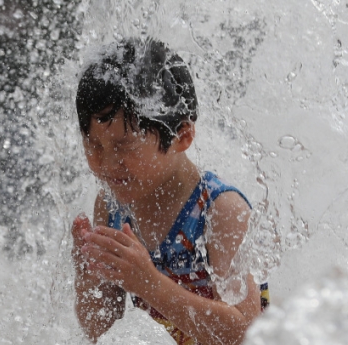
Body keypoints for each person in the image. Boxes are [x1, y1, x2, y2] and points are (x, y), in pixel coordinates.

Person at [71, 37, 267, 345]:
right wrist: (88, 275)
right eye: (94, 145)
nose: (107, 164)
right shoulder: (111, 207)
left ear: (182, 136)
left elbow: (247, 334)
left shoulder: (220, 211)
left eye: (124, 146)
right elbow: (101, 330)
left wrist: (149, 283)